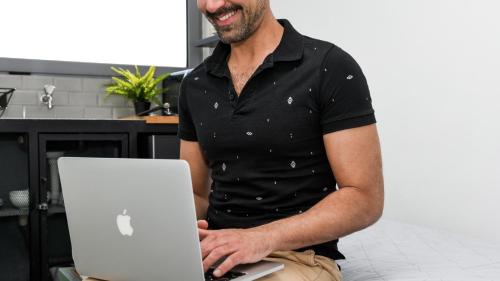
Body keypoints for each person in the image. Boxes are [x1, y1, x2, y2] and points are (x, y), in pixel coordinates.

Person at [178, 0, 384, 280]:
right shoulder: (195, 84)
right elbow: (197, 195)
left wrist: (259, 238)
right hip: (214, 252)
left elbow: (364, 198)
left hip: (296, 257)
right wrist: (162, 221)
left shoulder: (329, 66)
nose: (212, 5)